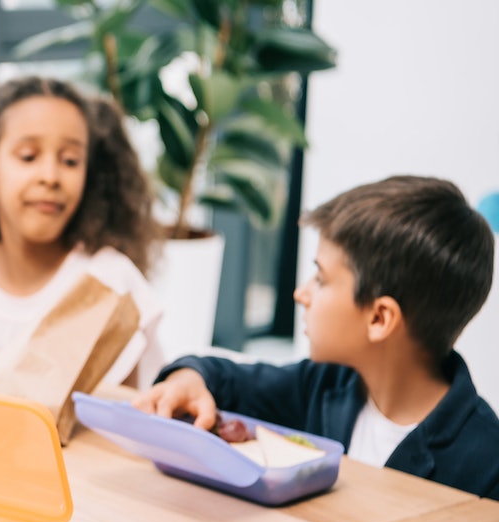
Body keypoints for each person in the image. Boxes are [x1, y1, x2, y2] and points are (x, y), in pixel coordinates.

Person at [134, 175, 499, 499]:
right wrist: (189, 379)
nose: (300, 294)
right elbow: (225, 378)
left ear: (379, 318)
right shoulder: (322, 387)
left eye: (321, 279)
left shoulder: (487, 463)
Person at [0, 75, 164, 388]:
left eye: (70, 161)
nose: (50, 176)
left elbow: (127, 417)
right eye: (28, 156)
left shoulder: (109, 281)